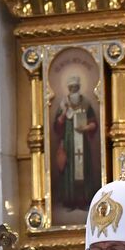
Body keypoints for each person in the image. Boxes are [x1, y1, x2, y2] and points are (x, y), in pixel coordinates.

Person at [52, 75, 100, 211]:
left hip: (82, 142)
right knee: (69, 169)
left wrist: (86, 127)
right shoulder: (64, 104)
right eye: (71, 87)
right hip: (68, 142)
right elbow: (57, 125)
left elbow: (94, 122)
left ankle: (83, 200)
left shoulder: (86, 103)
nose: (73, 89)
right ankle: (70, 200)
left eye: (75, 87)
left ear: (79, 87)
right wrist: (64, 114)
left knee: (83, 168)